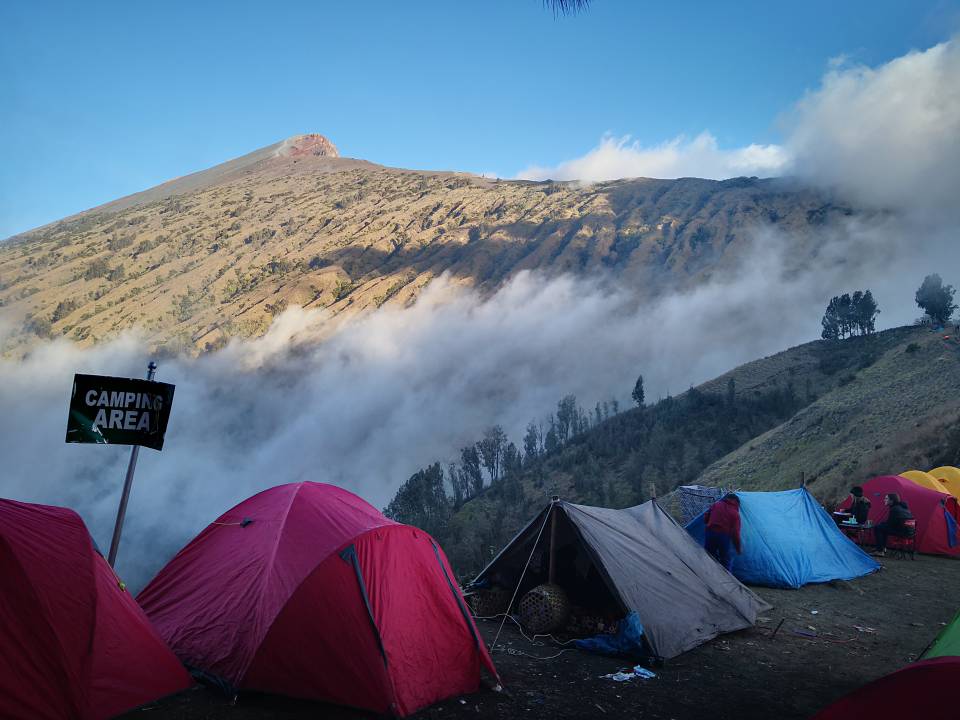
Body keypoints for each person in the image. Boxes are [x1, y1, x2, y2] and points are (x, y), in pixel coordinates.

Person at [703, 493, 742, 572]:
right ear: (736, 502)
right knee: (725, 561)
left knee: (709, 556)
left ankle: (707, 576)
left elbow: (706, 518)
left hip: (710, 533)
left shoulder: (716, 505)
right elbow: (735, 533)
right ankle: (727, 581)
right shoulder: (735, 514)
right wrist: (738, 548)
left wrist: (711, 521)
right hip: (724, 536)